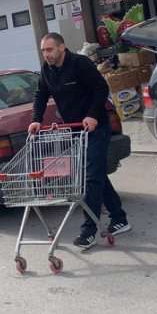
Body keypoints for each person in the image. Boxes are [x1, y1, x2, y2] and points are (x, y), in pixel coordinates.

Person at [29, 33, 130, 250]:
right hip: (75, 130)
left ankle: (89, 231)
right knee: (96, 174)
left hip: (96, 127)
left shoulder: (80, 64)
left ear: (62, 48)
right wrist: (36, 120)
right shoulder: (47, 70)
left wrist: (93, 114)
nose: (46, 54)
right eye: (43, 51)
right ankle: (119, 217)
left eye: (50, 50)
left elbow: (101, 89)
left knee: (90, 178)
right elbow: (40, 95)